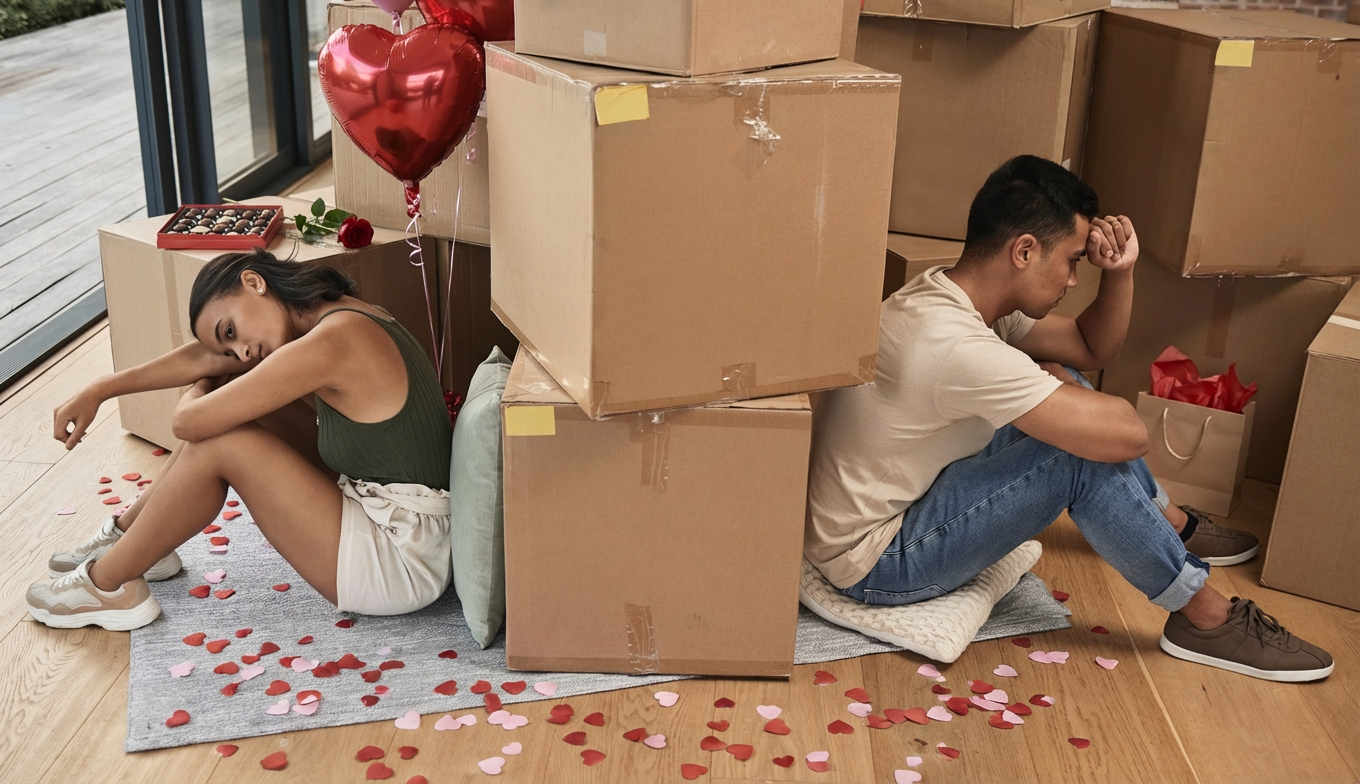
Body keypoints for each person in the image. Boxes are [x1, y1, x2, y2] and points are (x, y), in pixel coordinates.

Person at [805, 155, 1333, 682]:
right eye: (1073, 260)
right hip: (879, 560)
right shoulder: (952, 345)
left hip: (901, 498)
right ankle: (1203, 617)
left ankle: (1171, 527)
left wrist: (1120, 272)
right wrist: (1054, 384)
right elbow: (1129, 435)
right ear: (1024, 251)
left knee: (1064, 382)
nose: (1074, 278)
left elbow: (1089, 346)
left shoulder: (949, 295)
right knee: (1076, 452)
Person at [29, 248, 453, 630]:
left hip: (402, 563)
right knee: (238, 407)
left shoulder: (335, 340)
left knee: (218, 440)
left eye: (230, 331)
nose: (243, 352)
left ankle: (107, 584)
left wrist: (205, 385)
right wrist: (102, 388)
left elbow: (187, 423)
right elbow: (206, 356)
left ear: (255, 282)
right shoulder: (336, 316)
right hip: (392, 513)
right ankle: (135, 539)